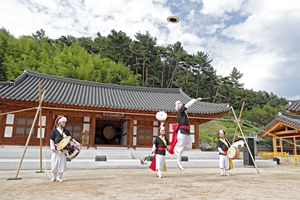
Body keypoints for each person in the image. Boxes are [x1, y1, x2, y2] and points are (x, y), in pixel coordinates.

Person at [173, 97, 202, 171]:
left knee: (189, 146)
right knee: (181, 147)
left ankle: (177, 149)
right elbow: (188, 105)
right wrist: (195, 100)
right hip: (182, 131)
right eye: (180, 104)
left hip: (186, 131)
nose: (181, 104)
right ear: (178, 107)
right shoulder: (181, 111)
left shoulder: (182, 113)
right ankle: (178, 161)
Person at [49, 116, 81, 182]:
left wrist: (77, 144)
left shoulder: (66, 131)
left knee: (61, 163)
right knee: (54, 162)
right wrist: (52, 147)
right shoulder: (54, 131)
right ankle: (53, 177)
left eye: (64, 122)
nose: (64, 124)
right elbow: (51, 140)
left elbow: (71, 139)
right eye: (63, 122)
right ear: (59, 123)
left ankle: (59, 177)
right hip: (56, 149)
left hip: (64, 150)